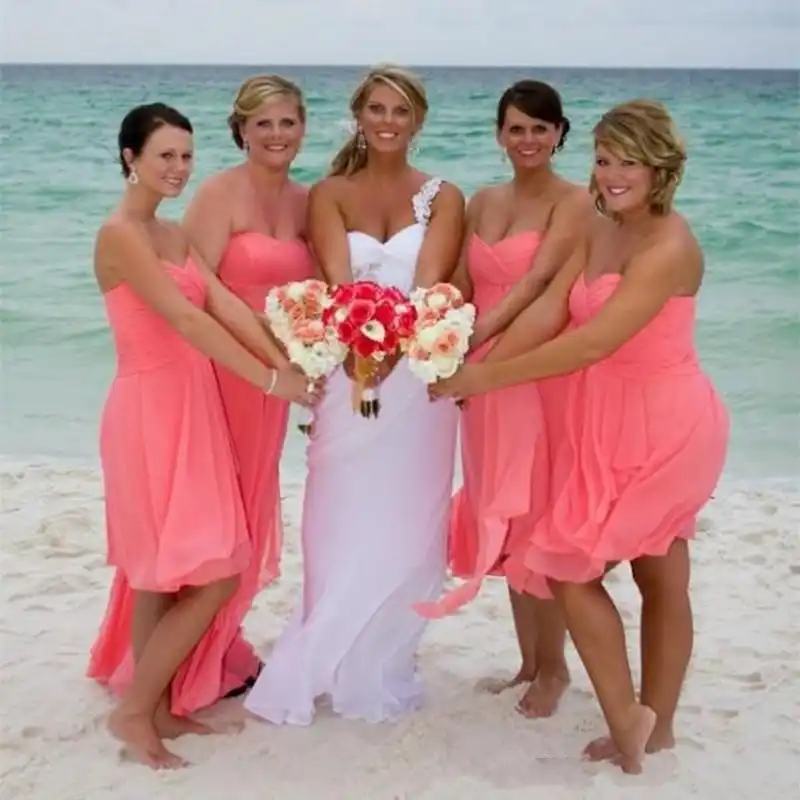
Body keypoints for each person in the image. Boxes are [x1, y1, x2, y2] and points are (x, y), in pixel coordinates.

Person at [431, 100, 729, 773]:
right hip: (607, 419)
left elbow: (594, 340)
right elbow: (551, 311)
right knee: (601, 566)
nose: (614, 173)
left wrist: (487, 378)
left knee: (623, 571)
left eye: (630, 161)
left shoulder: (669, 246)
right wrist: (474, 362)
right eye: (603, 159)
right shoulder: (597, 229)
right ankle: (638, 722)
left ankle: (648, 725)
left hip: (666, 422)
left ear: (662, 167)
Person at [87, 102, 318, 768]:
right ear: (130, 157)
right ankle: (133, 714)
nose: (179, 169)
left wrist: (287, 361)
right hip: (149, 410)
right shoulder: (122, 234)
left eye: (186, 156)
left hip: (192, 407)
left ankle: (153, 705)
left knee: (166, 575)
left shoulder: (168, 234)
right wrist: (272, 384)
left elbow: (223, 306)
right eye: (165, 156)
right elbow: (188, 326)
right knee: (213, 572)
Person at [244, 64, 465, 725]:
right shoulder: (329, 193)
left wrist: (401, 345)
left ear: (418, 120)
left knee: (410, 519)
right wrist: (362, 349)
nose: (388, 122)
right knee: (338, 512)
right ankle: (325, 649)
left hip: (419, 386)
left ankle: (383, 656)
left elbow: (431, 289)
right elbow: (340, 287)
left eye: (400, 111)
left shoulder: (445, 196)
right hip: (350, 375)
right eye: (376, 109)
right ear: (359, 117)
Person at [431, 79, 593, 718]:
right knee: (501, 514)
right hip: (480, 370)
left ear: (560, 134)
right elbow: (465, 284)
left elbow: (532, 286)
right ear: (500, 134)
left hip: (529, 369)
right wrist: (436, 340)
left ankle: (554, 670)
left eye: (541, 128)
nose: (528, 140)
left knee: (535, 515)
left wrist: (482, 358)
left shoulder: (575, 202)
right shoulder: (482, 201)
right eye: (517, 128)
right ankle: (528, 661)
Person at [183, 75, 315, 693]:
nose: (276, 134)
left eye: (287, 122)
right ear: (240, 130)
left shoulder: (307, 201)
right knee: (215, 514)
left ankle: (221, 643)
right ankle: (184, 659)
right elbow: (199, 290)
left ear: (304, 129)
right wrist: (268, 360)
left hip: (276, 383)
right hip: (225, 372)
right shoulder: (217, 194)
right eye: (262, 123)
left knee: (252, 507)